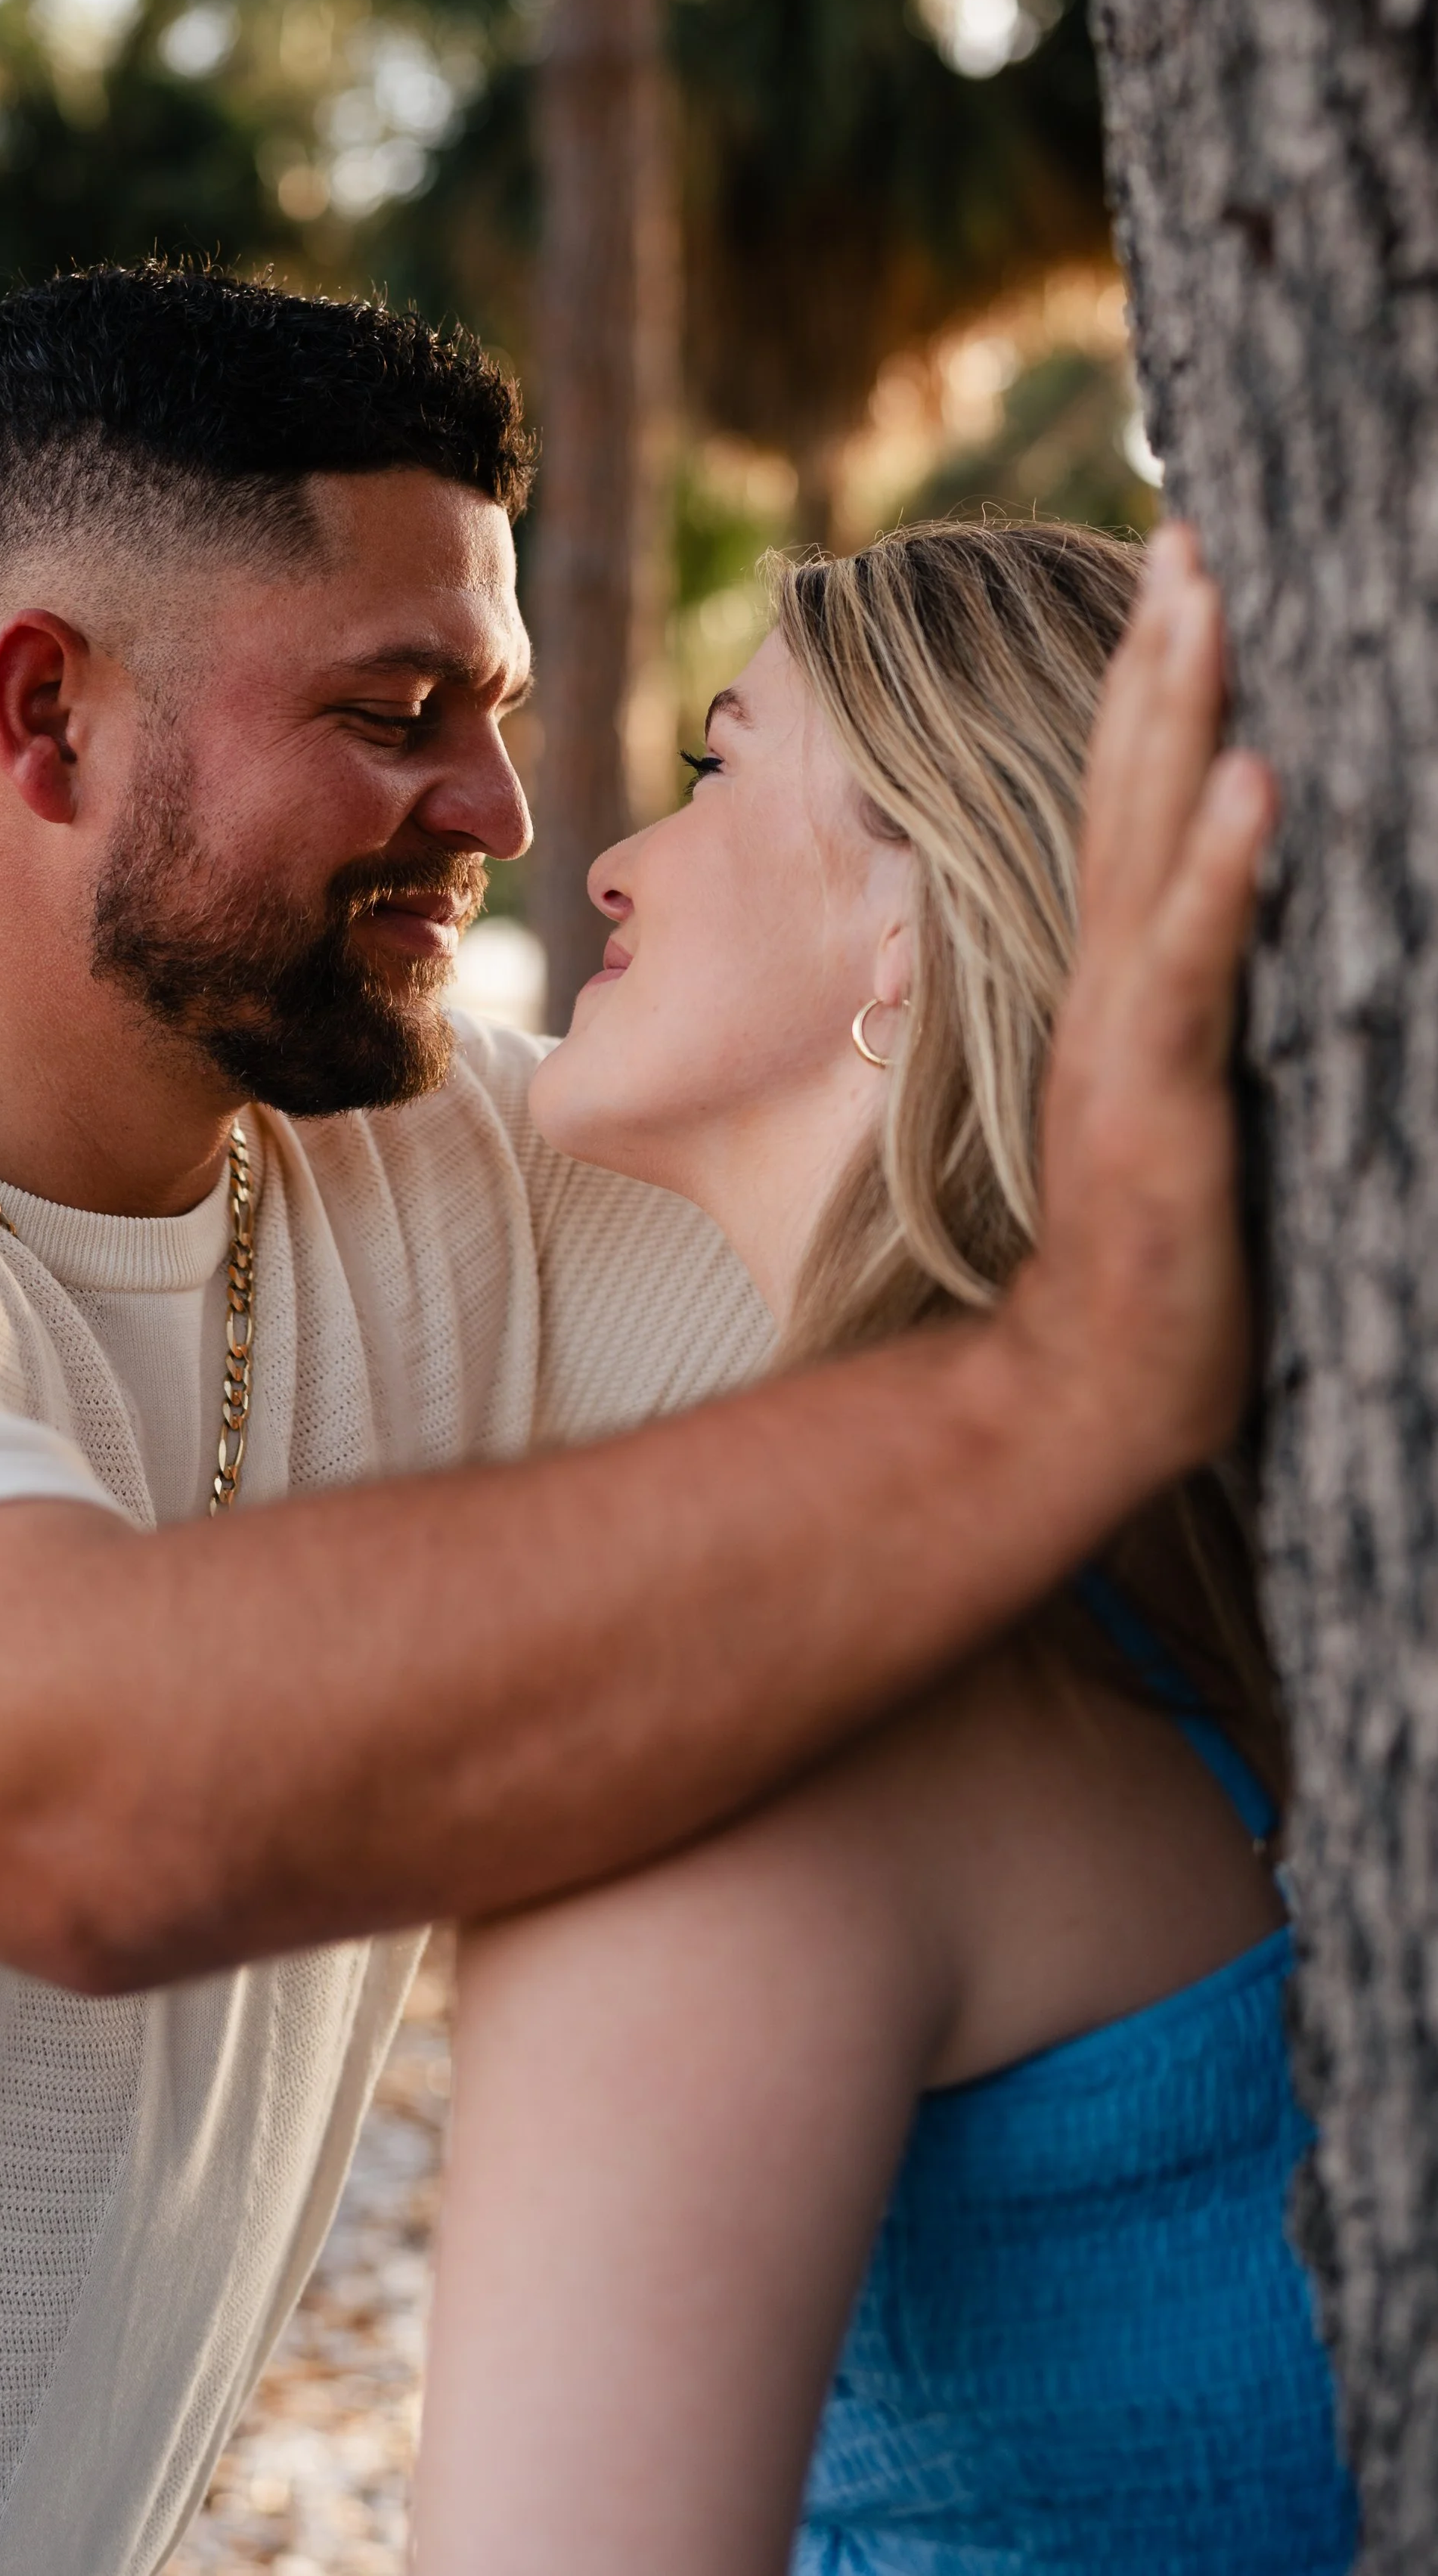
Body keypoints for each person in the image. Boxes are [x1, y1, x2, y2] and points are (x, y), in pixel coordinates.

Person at [0, 264, 1268, 2576]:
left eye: (507, 710)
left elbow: (924, 1202)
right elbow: (74, 1798)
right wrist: (1069, 1382)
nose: (499, 806)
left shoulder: (489, 1170)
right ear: (45, 717)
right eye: (391, 708)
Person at [413, 521, 1352, 2576]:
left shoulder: (748, 1734)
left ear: (917, 920)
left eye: (719, 763)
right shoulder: (1212, 1589)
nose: (608, 860)